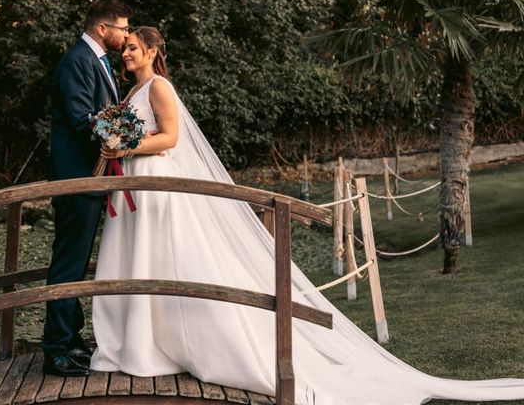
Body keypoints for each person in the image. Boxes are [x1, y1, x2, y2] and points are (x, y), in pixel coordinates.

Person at [91, 27, 524, 404]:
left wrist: (126, 146)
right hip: (136, 186)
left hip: (159, 186)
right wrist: (115, 144)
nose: (125, 53)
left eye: (132, 47)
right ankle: (142, 344)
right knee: (143, 261)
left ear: (151, 50)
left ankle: (180, 345)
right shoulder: (131, 91)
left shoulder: (160, 87)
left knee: (168, 260)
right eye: (124, 48)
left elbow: (169, 138)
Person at [43, 0, 132, 377]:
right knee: (68, 262)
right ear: (103, 28)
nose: (126, 35)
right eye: (123, 28)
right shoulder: (79, 60)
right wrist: (124, 137)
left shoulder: (97, 60)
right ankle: (56, 350)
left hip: (91, 179)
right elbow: (83, 119)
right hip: (77, 177)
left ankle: (71, 338)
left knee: (76, 263)